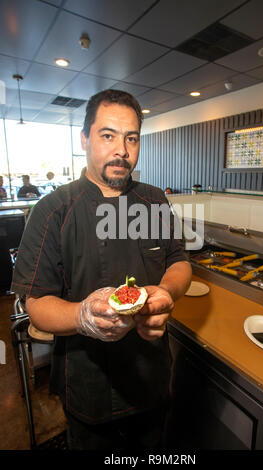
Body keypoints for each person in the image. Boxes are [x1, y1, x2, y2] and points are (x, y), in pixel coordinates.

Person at [11, 89, 192, 452]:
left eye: (131, 138)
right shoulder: (53, 210)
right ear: (85, 139)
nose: (121, 150)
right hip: (89, 382)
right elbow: (36, 305)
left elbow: (179, 261)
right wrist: (81, 315)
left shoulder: (153, 199)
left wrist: (167, 292)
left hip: (150, 373)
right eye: (107, 135)